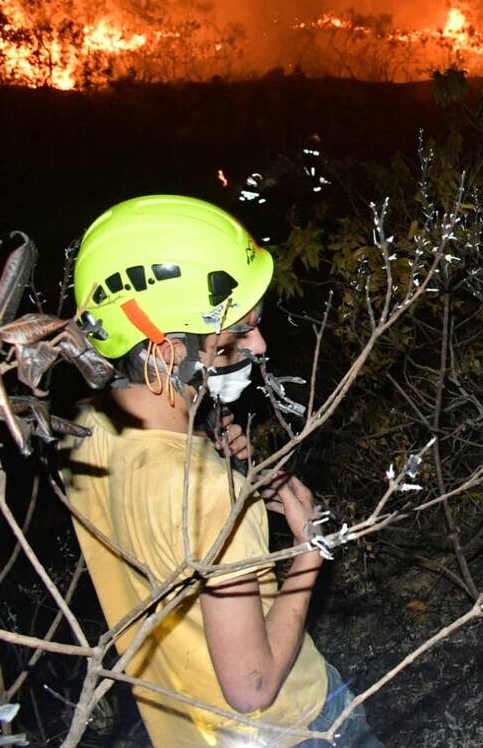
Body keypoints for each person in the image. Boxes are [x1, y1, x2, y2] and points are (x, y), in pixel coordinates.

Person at [61, 194, 379, 747]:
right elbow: (252, 687)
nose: (258, 344)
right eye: (235, 334)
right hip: (291, 730)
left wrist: (201, 439)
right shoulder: (209, 493)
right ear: (165, 355)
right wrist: (310, 548)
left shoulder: (84, 433)